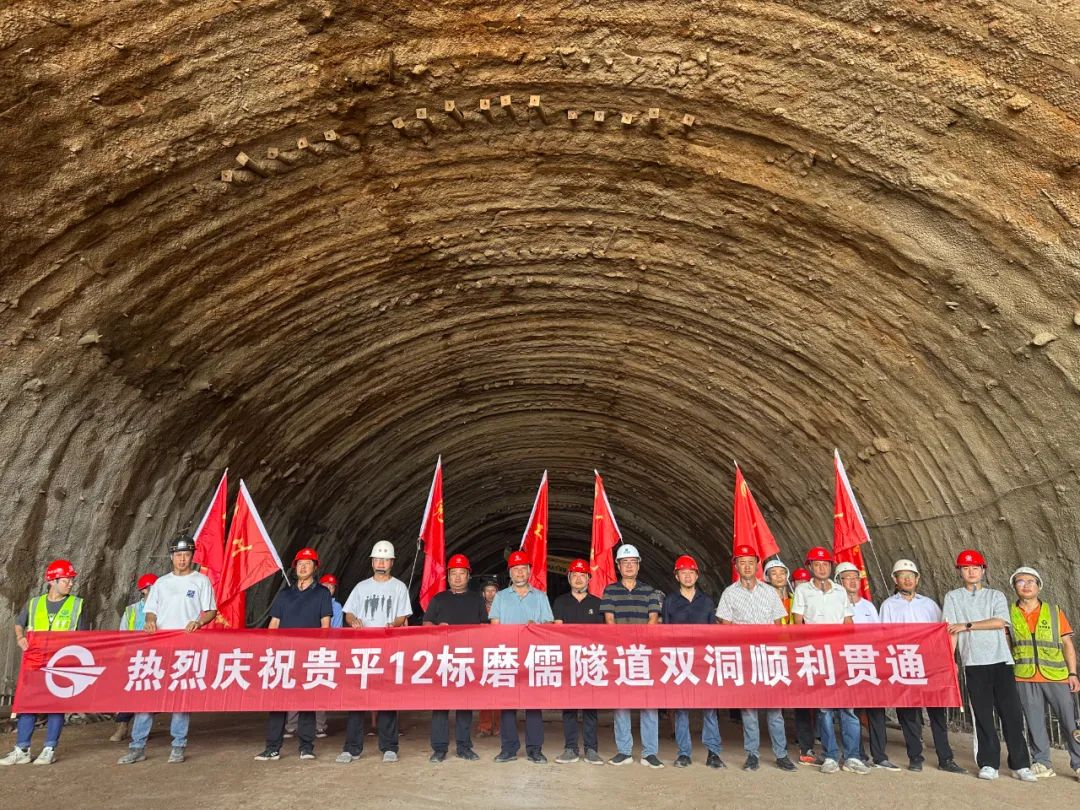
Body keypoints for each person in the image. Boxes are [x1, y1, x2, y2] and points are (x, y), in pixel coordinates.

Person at [118, 534, 217, 765]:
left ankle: (178, 745)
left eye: (186, 555)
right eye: (178, 555)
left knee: (179, 697)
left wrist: (199, 622)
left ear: (192, 556)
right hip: (159, 647)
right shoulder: (161, 583)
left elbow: (211, 610)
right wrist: (150, 621)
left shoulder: (201, 581)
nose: (182, 559)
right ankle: (137, 746)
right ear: (172, 556)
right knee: (148, 695)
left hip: (185, 647)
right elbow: (151, 611)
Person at [942, 549, 1036, 782]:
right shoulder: (953, 597)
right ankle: (988, 763)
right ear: (960, 571)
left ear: (983, 570)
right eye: (966, 568)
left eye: (975, 567)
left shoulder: (996, 595)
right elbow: (951, 631)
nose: (971, 572)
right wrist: (950, 661)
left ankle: (1021, 765)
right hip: (974, 662)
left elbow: (999, 622)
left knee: (1012, 715)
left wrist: (967, 625)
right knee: (982, 716)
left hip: (1001, 661)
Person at [878, 559, 965, 775]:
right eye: (902, 576)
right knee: (908, 713)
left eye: (911, 576)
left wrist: (948, 661)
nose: (907, 580)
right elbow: (883, 636)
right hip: (903, 662)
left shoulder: (929, 605)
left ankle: (946, 758)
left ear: (917, 579)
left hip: (929, 663)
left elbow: (942, 634)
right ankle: (915, 757)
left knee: (937, 712)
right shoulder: (888, 605)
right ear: (895, 580)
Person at [717, 546, 796, 772]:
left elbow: (779, 625)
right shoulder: (729, 593)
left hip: (769, 656)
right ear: (736, 566)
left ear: (757, 565)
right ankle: (752, 754)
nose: (747, 566)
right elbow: (725, 627)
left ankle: (781, 755)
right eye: (742, 562)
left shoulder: (769, 592)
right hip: (745, 658)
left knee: (775, 710)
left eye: (751, 562)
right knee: (749, 709)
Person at [2, 559, 88, 766]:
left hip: (61, 665)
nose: (70, 584)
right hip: (34, 663)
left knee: (55, 706)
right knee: (27, 705)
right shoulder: (34, 603)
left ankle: (49, 749)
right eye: (66, 580)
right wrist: (20, 638)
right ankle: (22, 749)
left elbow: (84, 637)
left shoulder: (77, 605)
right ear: (52, 581)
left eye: (71, 580)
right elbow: (19, 623)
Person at [790, 546, 867, 775]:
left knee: (848, 709)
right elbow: (798, 622)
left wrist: (848, 646)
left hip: (840, 654)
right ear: (810, 567)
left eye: (825, 564)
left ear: (831, 567)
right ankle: (830, 755)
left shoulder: (840, 591)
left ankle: (852, 756)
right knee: (824, 709)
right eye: (817, 564)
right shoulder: (802, 590)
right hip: (817, 655)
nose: (822, 568)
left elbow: (848, 621)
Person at [254, 547, 332, 762]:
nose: (303, 567)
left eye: (308, 564)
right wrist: (269, 650)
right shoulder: (284, 595)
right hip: (284, 656)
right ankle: (272, 747)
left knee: (307, 702)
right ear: (294, 567)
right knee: (277, 703)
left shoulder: (322, 593)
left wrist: (321, 649)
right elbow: (274, 624)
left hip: (309, 656)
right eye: (300, 564)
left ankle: (306, 747)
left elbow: (325, 625)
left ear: (315, 568)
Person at [337, 541, 412, 764]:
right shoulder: (361, 587)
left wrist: (393, 624)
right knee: (357, 699)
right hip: (363, 651)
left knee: (387, 698)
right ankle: (352, 748)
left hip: (388, 649)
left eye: (385, 559)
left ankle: (389, 747)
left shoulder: (399, 587)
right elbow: (349, 613)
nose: (381, 563)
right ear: (372, 562)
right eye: (377, 559)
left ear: (392, 562)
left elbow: (402, 615)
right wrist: (354, 621)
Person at [1009, 566, 1080, 780]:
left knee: (1071, 722)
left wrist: (1073, 673)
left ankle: (1078, 763)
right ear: (1014, 587)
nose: (1026, 585)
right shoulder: (1009, 613)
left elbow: (1067, 644)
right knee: (1034, 722)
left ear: (1039, 586)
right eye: (1021, 581)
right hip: (1024, 676)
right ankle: (1042, 763)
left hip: (1056, 676)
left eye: (1031, 581)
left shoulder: (1054, 611)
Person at [601, 543, 664, 768]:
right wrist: (623, 646)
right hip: (620, 654)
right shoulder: (610, 591)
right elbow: (609, 621)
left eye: (633, 562)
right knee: (621, 703)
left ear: (638, 565)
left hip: (644, 654)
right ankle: (624, 751)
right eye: (624, 562)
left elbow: (653, 620)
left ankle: (650, 753)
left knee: (649, 703)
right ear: (618, 566)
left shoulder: (650, 591)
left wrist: (639, 645)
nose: (629, 566)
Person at [489, 550, 554, 763]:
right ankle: (508, 748)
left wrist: (539, 627)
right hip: (508, 656)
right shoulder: (500, 597)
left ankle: (535, 749)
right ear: (510, 572)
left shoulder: (541, 597)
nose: (519, 572)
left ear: (529, 571)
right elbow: (494, 626)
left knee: (533, 704)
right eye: (515, 569)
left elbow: (549, 625)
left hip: (533, 657)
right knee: (507, 704)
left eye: (523, 569)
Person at [834, 561, 899, 772]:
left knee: (876, 710)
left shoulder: (868, 606)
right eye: (848, 578)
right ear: (839, 582)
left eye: (856, 578)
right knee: (851, 711)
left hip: (869, 662)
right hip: (846, 663)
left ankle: (880, 756)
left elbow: (879, 635)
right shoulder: (834, 605)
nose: (853, 582)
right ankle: (857, 754)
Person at [423, 553, 487, 763]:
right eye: (453, 573)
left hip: (467, 659)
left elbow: (485, 626)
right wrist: (437, 628)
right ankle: (439, 748)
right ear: (448, 576)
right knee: (440, 705)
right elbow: (426, 624)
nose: (457, 577)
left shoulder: (477, 599)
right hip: (443, 659)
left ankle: (464, 746)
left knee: (465, 704)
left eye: (462, 573)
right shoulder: (439, 599)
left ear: (468, 576)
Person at [663, 554, 723, 769]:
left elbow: (714, 633)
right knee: (681, 709)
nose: (687, 576)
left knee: (709, 708)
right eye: (683, 573)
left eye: (691, 573)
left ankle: (713, 753)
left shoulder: (706, 601)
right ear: (677, 576)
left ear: (697, 576)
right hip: (680, 661)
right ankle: (684, 753)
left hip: (703, 661)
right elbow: (665, 632)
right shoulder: (670, 601)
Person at [552, 558, 604, 765]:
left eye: (583, 575)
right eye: (575, 575)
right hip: (568, 661)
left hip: (591, 661)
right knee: (569, 707)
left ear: (589, 579)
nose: (579, 579)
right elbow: (558, 630)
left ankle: (591, 749)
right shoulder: (560, 602)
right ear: (569, 578)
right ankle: (570, 748)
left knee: (591, 707)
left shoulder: (597, 603)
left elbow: (603, 635)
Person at [285, 572, 343, 741]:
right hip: (302, 649)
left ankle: (319, 726)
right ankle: (292, 725)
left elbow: (336, 630)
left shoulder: (336, 607)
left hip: (323, 651)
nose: (328, 589)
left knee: (319, 686)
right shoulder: (307, 600)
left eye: (331, 587)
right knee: (296, 686)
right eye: (325, 586)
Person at [110, 573, 158, 743]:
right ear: (143, 590)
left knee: (149, 695)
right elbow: (123, 634)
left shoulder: (164, 608)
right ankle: (122, 726)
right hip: (134, 658)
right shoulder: (131, 610)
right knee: (130, 693)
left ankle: (141, 730)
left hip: (154, 658)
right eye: (152, 589)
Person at [475, 577, 501, 738]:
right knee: (484, 690)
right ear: (483, 593)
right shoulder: (477, 607)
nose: (490, 593)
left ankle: (498, 726)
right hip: (482, 652)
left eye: (493, 591)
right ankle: (484, 726)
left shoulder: (504, 606)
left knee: (500, 690)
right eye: (488, 591)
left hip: (500, 652)